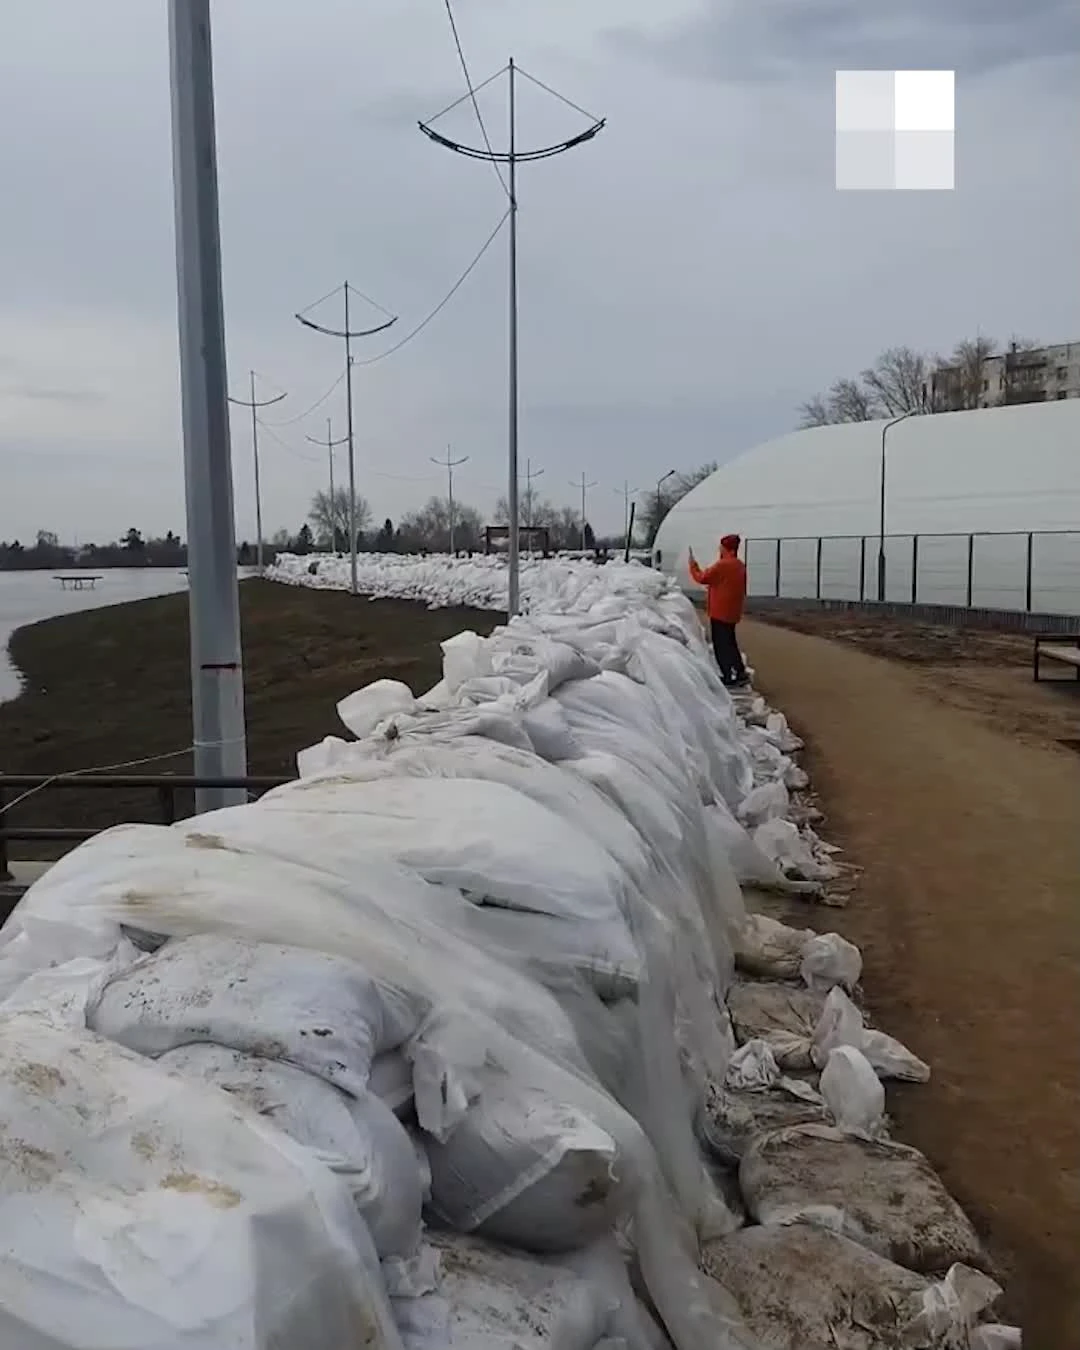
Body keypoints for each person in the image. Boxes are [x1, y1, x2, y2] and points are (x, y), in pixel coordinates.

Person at [689, 534, 749, 687]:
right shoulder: (740, 565)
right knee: (730, 642)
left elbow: (702, 578)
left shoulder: (722, 565)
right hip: (732, 611)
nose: (719, 549)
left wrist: (692, 565)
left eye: (721, 546)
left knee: (721, 645)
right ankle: (740, 672)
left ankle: (727, 675)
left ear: (726, 548)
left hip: (719, 611)